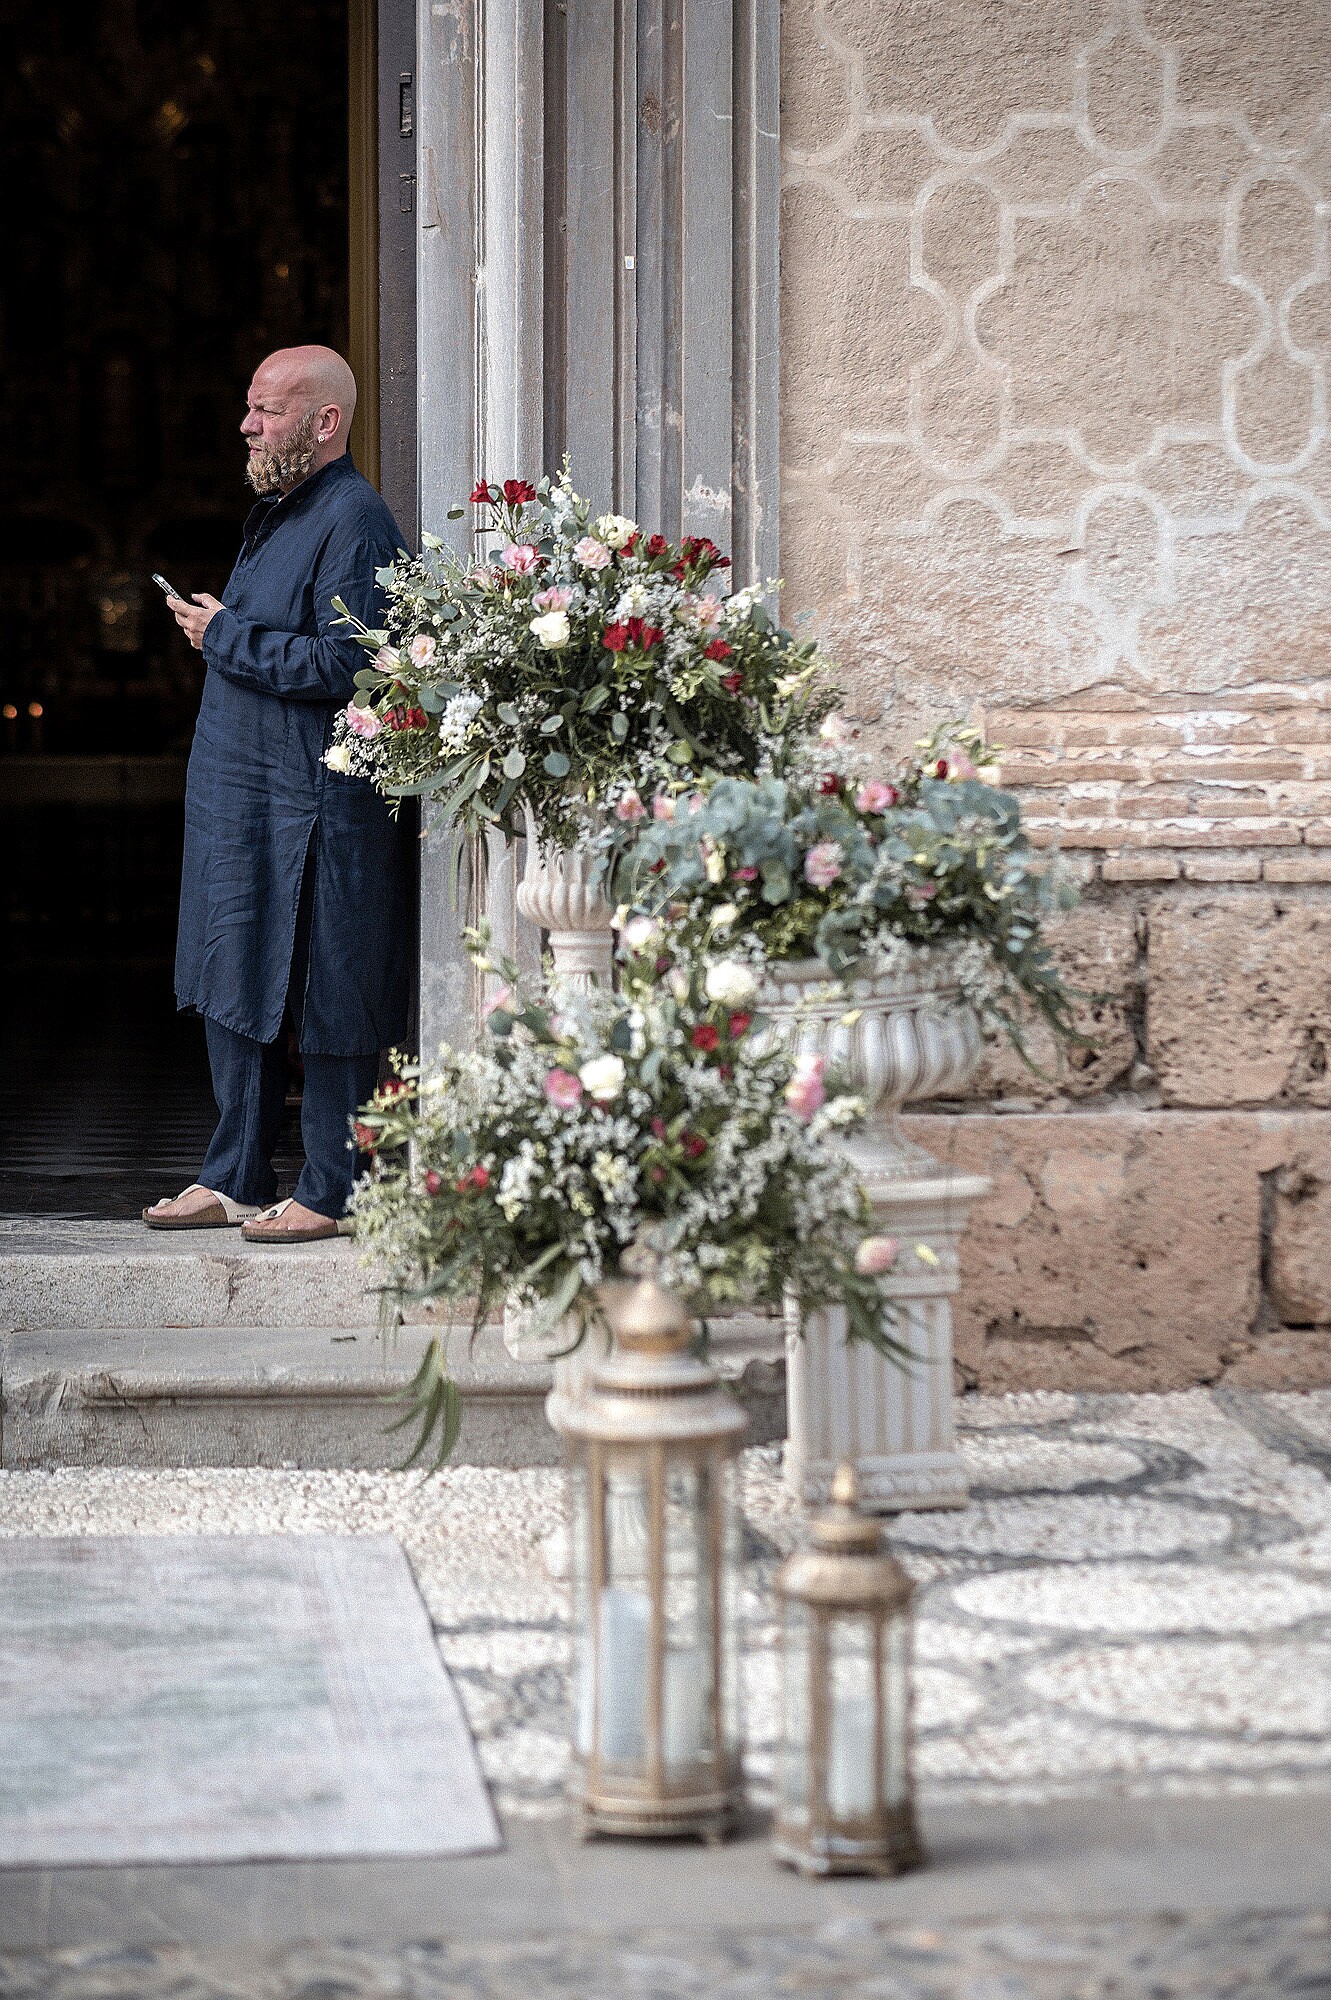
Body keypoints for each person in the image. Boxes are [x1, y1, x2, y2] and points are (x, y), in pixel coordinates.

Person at [143, 345, 409, 1244]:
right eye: (250, 407)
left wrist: (223, 636)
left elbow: (353, 663)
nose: (247, 425)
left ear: (325, 422)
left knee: (333, 984)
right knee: (233, 966)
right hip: (244, 792)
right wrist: (222, 631)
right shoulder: (279, 512)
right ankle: (233, 1177)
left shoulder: (355, 517)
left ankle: (335, 1188)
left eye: (268, 410)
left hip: (316, 801)